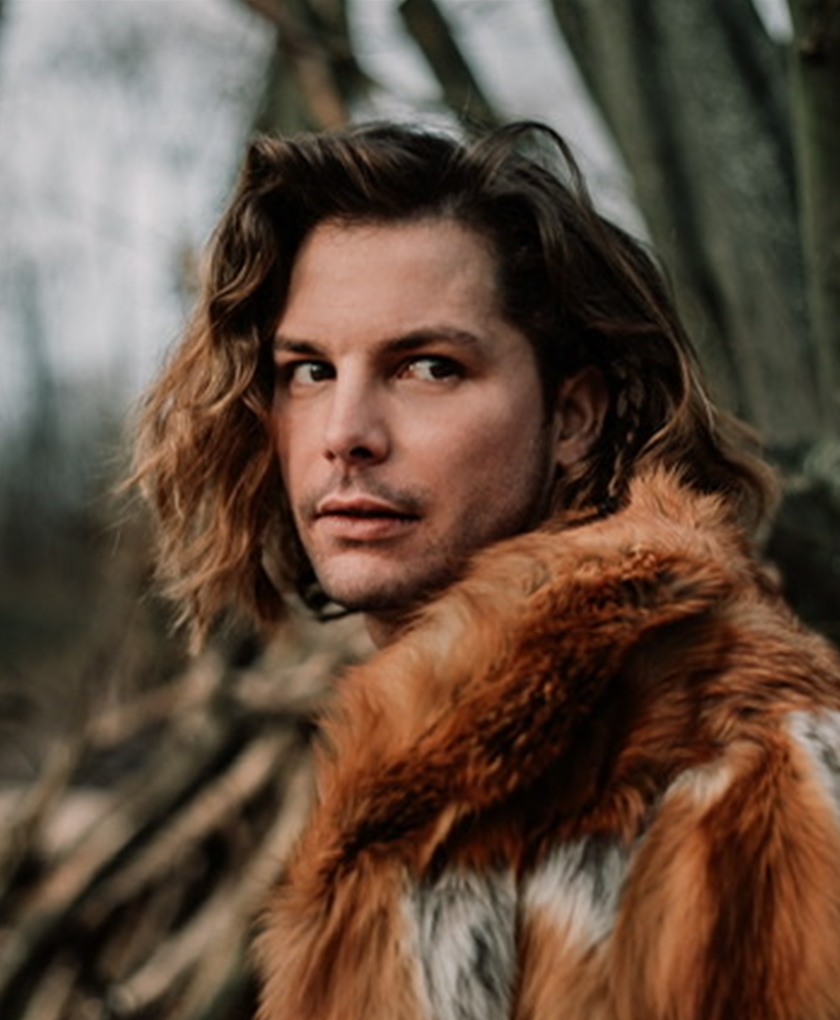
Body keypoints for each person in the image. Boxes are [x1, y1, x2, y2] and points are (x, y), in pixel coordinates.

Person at [132, 121, 840, 1020]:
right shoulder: (423, 768)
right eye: (308, 370)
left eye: (428, 367)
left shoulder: (747, 779)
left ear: (574, 418)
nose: (345, 433)